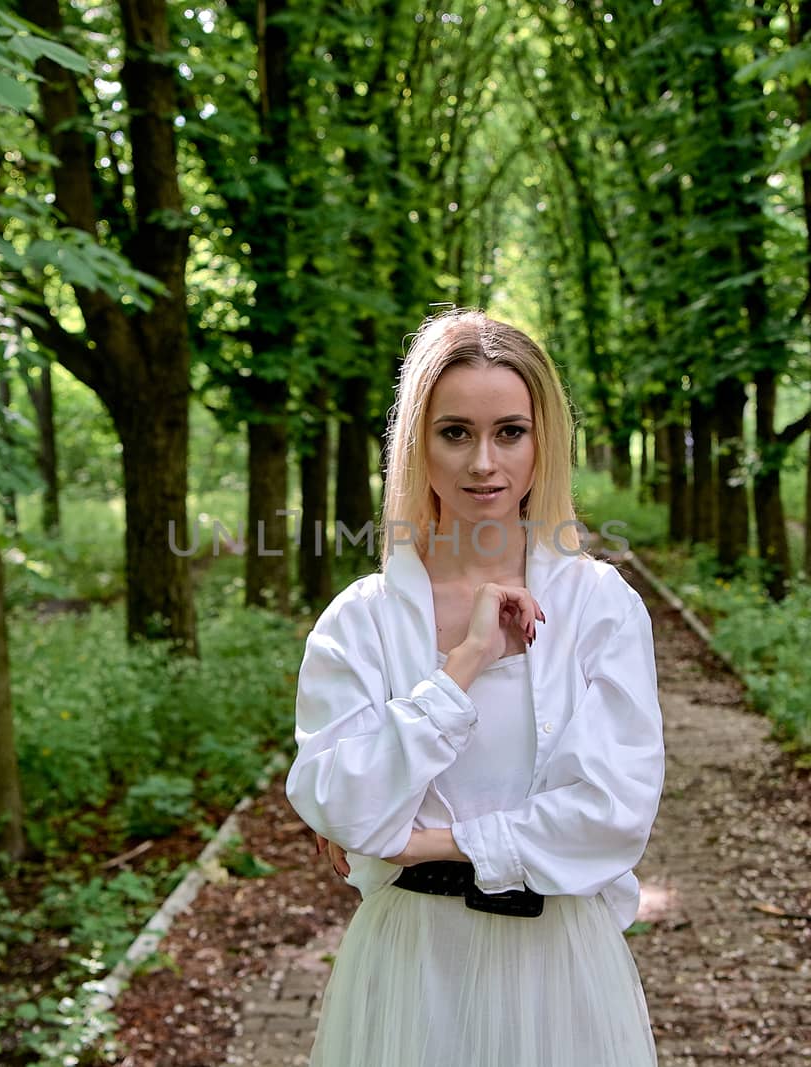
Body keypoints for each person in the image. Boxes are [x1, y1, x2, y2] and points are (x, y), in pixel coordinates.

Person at [284, 308, 666, 1067]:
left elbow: (613, 816)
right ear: (416, 446)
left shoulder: (600, 606)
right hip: (411, 973)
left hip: (559, 969)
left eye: (510, 432)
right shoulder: (359, 622)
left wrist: (415, 840)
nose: (484, 462)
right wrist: (462, 664)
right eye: (455, 432)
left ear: (542, 440)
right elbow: (340, 800)